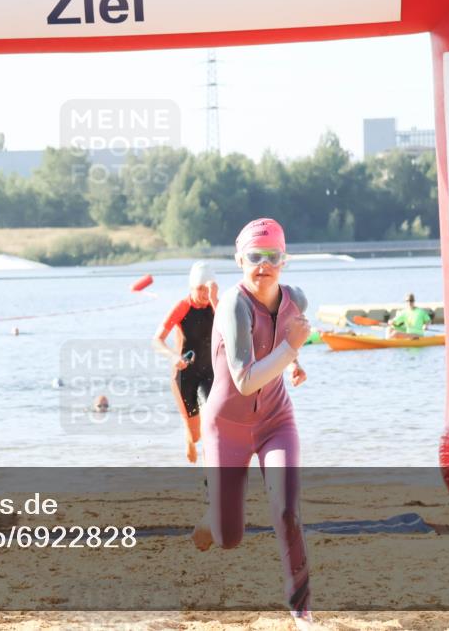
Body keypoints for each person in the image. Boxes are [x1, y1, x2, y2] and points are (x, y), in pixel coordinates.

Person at [193, 218, 314, 630]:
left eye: (273, 257)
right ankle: (212, 521)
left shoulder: (296, 298)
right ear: (239, 259)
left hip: (276, 420)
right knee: (229, 538)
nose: (264, 265)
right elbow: (244, 380)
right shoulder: (233, 304)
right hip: (226, 426)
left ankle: (302, 612)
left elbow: (285, 330)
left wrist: (295, 362)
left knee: (286, 512)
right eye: (254, 257)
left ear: (285, 259)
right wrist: (290, 350)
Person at [153, 261, 218, 463]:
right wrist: (173, 356)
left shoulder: (218, 305)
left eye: (207, 289)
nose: (204, 294)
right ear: (191, 288)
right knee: (196, 434)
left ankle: (212, 473)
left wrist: (215, 300)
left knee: (212, 421)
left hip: (210, 373)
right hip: (184, 376)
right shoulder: (182, 307)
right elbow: (156, 340)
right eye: (200, 289)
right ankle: (189, 441)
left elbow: (232, 329)